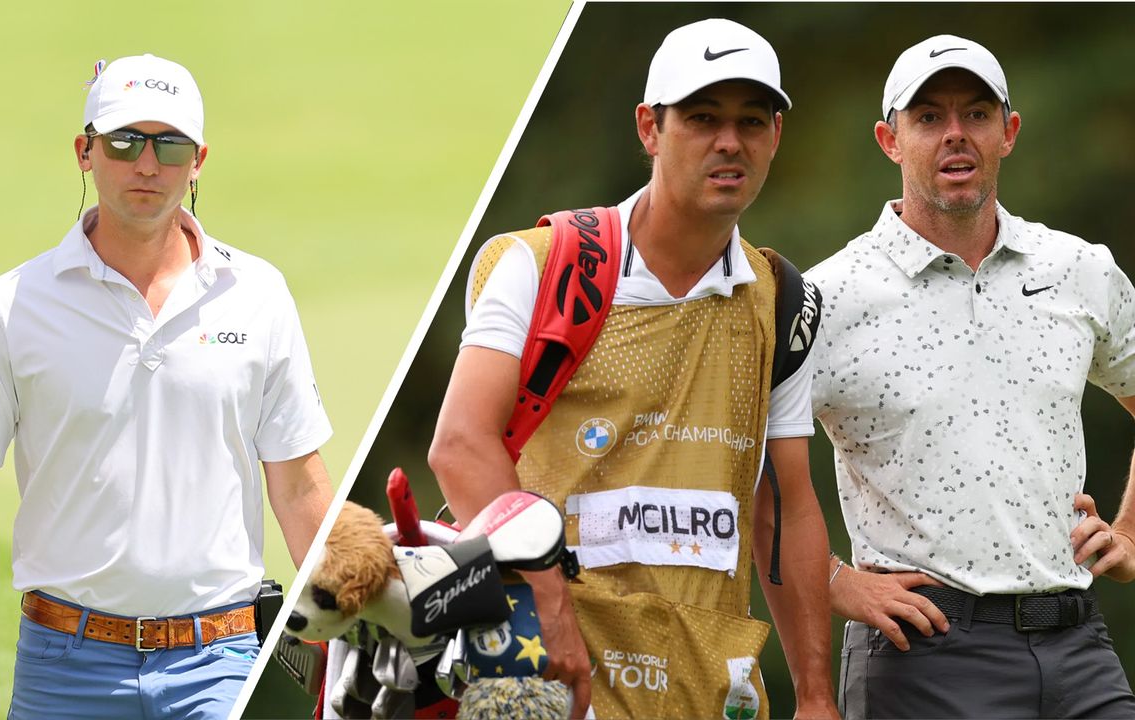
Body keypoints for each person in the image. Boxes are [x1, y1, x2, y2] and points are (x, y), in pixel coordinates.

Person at [0, 54, 334, 719]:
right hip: (62, 665)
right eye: (126, 141)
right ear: (85, 150)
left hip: (221, 662)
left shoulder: (258, 296)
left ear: (199, 160)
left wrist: (352, 634)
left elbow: (300, 486)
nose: (147, 164)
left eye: (170, 144)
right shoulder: (13, 306)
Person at [429, 18, 838, 720]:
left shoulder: (782, 300)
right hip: (553, 673)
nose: (729, 142)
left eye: (751, 121)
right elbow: (461, 445)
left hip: (712, 685)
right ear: (650, 128)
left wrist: (816, 696)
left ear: (776, 135)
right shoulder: (543, 264)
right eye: (703, 118)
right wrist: (546, 598)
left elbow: (786, 508)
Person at [808, 34, 1135, 719]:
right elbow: (734, 457)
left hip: (1079, 644)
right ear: (889, 140)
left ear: (1008, 132)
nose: (955, 135)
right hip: (922, 651)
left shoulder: (1075, 269)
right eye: (927, 118)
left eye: (976, 114)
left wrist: (1131, 532)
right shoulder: (827, 297)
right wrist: (832, 582)